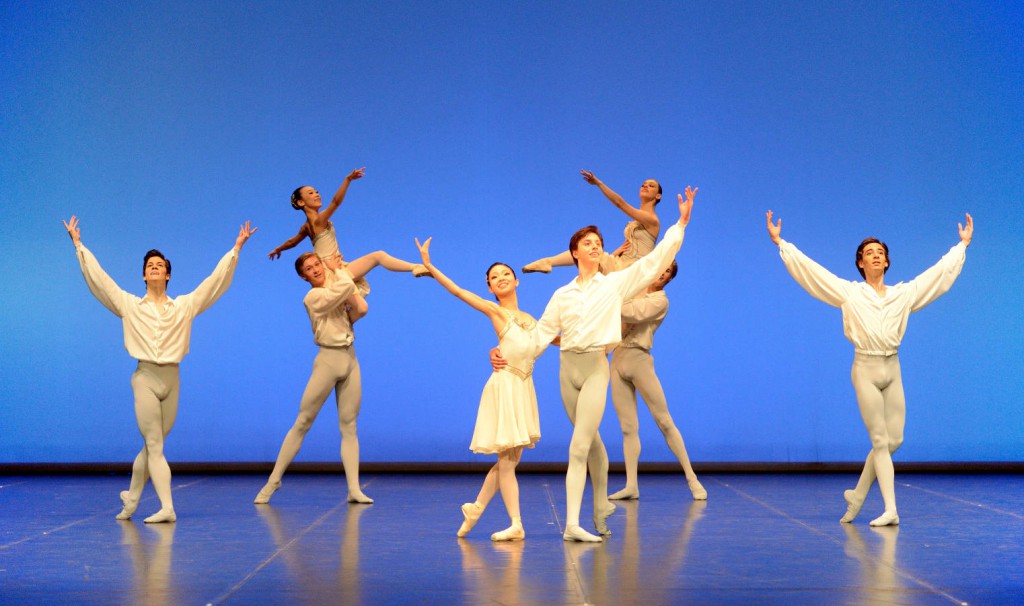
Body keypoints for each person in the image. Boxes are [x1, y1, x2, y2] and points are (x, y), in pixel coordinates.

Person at [498, 186, 697, 542]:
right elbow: (539, 336)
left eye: (597, 242)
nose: (595, 246)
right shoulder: (562, 294)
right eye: (587, 243)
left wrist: (681, 223)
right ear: (575, 252)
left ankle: (574, 523)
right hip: (566, 370)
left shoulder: (615, 284)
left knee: (577, 446)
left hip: (594, 368)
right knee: (591, 445)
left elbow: (656, 260)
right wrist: (502, 353)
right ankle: (601, 505)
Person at [765, 210, 973, 526]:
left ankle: (859, 493)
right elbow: (814, 273)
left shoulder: (903, 294)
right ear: (861, 263)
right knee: (879, 441)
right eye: (868, 254)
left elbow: (936, 276)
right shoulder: (850, 292)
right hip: (865, 368)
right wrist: (782, 243)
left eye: (880, 253)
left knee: (894, 440)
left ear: (887, 262)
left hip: (892, 368)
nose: (875, 257)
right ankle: (891, 509)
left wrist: (961, 247)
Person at [63, 216, 256, 523]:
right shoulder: (128, 305)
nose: (153, 267)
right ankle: (167, 507)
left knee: (153, 446)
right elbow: (100, 281)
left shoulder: (184, 306)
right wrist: (78, 245)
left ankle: (131, 499)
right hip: (146, 379)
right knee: (155, 444)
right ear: (143, 276)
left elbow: (213, 284)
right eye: (149, 265)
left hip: (173, 379)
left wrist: (236, 249)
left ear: (167, 274)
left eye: (159, 264)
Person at [414, 238, 545, 541]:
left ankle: (475, 508)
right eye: (493, 277)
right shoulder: (496, 312)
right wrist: (431, 266)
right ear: (489, 288)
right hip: (505, 385)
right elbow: (459, 292)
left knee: (507, 461)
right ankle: (516, 523)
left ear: (516, 280)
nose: (500, 278)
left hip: (524, 387)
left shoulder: (533, 321)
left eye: (505, 274)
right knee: (508, 461)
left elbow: (559, 340)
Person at [254, 252, 373, 505]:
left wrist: (340, 273)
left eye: (317, 264)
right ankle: (274, 480)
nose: (316, 269)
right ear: (303, 276)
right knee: (303, 421)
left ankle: (354, 488)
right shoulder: (313, 297)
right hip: (328, 361)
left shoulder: (336, 287)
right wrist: (338, 269)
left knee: (349, 426)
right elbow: (341, 290)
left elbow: (360, 306)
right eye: (309, 268)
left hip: (350, 358)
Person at [608, 260, 706, 502]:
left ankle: (692, 479)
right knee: (627, 427)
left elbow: (627, 311)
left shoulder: (659, 301)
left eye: (667, 273)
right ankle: (631, 485)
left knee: (664, 420)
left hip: (639, 359)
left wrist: (609, 293)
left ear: (668, 280)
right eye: (660, 269)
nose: (661, 275)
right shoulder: (637, 290)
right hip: (618, 357)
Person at [267, 167, 430, 301]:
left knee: (359, 289)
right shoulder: (318, 221)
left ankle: (416, 268)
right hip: (331, 269)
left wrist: (278, 249)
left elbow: (292, 242)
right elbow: (336, 202)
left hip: (333, 267)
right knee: (378, 256)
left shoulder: (306, 227)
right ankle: (415, 267)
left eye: (316, 191)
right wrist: (348, 180)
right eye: (311, 193)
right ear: (301, 202)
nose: (317, 194)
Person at [523, 170, 662, 274]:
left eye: (651, 186)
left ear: (658, 195)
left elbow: (620, 204)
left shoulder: (652, 220)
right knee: (587, 250)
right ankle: (548, 262)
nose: (645, 186)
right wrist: (617, 252)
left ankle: (549, 262)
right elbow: (630, 248)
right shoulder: (635, 223)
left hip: (634, 269)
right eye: (643, 184)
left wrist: (599, 184)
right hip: (620, 264)